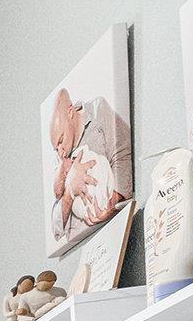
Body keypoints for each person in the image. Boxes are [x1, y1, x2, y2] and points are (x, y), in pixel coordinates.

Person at [47, 87, 130, 241]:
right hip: (86, 242)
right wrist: (69, 190)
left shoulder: (98, 110)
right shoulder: (60, 157)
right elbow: (56, 229)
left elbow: (124, 153)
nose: (60, 151)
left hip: (114, 226)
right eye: (55, 148)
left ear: (71, 113)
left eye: (61, 140)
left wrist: (111, 204)